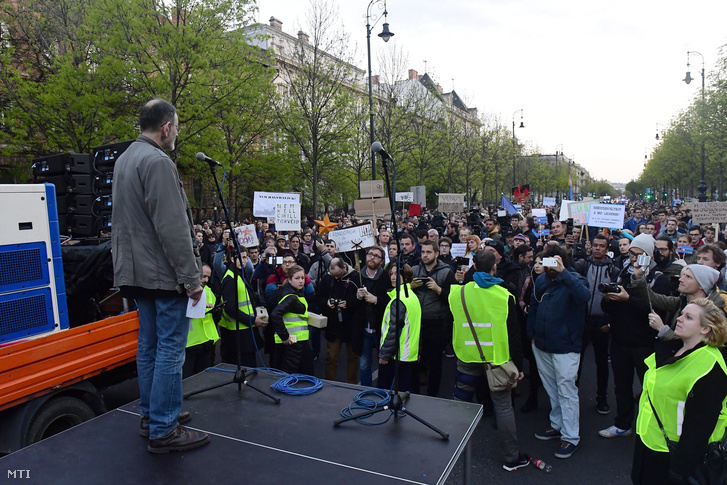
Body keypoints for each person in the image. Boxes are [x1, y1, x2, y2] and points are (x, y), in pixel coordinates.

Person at [112, 98, 208, 452]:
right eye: (177, 127)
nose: (176, 133)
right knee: (169, 348)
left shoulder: (125, 159)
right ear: (166, 127)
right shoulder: (158, 162)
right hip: (162, 273)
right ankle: (163, 428)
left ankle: (152, 415)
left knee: (149, 347)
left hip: (135, 272)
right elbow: (172, 228)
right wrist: (192, 279)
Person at [631, 299, 727, 484]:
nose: (680, 319)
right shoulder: (675, 348)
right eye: (682, 314)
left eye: (688, 317)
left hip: (672, 454)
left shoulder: (710, 367)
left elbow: (699, 428)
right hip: (649, 442)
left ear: (706, 329)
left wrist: (679, 470)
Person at [449, 250, 529, 472]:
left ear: (474, 267)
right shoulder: (504, 296)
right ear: (495, 268)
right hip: (497, 359)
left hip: (466, 355)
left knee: (461, 402)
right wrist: (519, 366)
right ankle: (511, 458)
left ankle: (449, 449)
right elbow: (515, 336)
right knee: (503, 407)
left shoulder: (457, 293)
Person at [599, 235, 670, 439]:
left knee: (649, 388)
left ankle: (656, 428)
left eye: (640, 255)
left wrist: (628, 299)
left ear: (650, 256)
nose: (634, 259)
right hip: (620, 340)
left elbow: (655, 310)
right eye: (631, 254)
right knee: (621, 386)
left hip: (644, 343)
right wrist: (609, 298)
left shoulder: (659, 279)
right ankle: (623, 423)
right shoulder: (623, 274)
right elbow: (610, 309)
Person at [527, 244, 590, 459]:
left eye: (554, 261)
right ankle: (557, 424)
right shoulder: (544, 280)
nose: (549, 266)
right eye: (546, 262)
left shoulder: (575, 279)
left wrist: (563, 273)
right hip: (542, 344)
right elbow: (535, 302)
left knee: (566, 390)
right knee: (552, 387)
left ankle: (571, 436)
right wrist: (532, 333)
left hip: (565, 346)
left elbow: (584, 296)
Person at [574, 234, 620, 415]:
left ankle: (602, 397)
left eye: (601, 246)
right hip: (583, 320)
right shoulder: (581, 266)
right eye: (595, 245)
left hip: (602, 321)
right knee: (576, 361)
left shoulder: (614, 270)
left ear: (607, 248)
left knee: (602, 363)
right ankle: (572, 394)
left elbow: (617, 301)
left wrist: (610, 323)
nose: (597, 248)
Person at [411, 241, 457, 396]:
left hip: (437, 323)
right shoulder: (414, 270)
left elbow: (453, 298)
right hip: (417, 322)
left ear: (436, 254)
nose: (425, 255)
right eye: (423, 252)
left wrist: (438, 290)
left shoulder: (446, 272)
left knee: (435, 362)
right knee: (414, 360)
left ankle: (433, 395)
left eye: (428, 252)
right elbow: (402, 294)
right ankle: (414, 392)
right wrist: (410, 287)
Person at [317, 257, 361, 383]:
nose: (336, 279)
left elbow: (360, 300)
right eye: (333, 276)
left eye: (338, 275)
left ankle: (351, 384)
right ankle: (330, 383)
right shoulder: (327, 278)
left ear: (344, 268)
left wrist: (348, 303)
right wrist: (326, 303)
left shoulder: (355, 279)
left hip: (351, 324)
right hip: (333, 325)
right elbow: (319, 298)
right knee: (331, 357)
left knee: (353, 357)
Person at [378, 264, 421, 393]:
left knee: (385, 393)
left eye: (397, 274)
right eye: (391, 273)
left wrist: (384, 355)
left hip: (396, 354)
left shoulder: (399, 299)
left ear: (406, 277)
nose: (393, 277)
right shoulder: (412, 296)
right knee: (406, 391)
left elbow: (393, 330)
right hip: (409, 353)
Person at [220, 249, 266, 367]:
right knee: (245, 366)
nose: (243, 260)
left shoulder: (240, 274)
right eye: (240, 257)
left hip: (244, 330)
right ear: (231, 259)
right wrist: (252, 320)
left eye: (245, 257)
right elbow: (230, 308)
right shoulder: (230, 279)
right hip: (238, 333)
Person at [269, 264, 314, 375]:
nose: (301, 281)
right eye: (297, 278)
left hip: (294, 342)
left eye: (303, 278)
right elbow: (275, 315)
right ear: (289, 280)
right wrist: (284, 336)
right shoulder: (291, 297)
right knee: (302, 377)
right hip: (294, 343)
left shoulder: (291, 293)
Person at [356, 246, 390, 387]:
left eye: (376, 256)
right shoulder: (357, 277)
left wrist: (376, 300)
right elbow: (351, 303)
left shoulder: (385, 278)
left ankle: (381, 391)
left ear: (381, 261)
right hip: (363, 328)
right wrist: (357, 296)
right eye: (370, 254)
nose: (372, 257)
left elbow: (390, 300)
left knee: (383, 363)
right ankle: (365, 391)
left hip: (380, 327)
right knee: (364, 365)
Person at [183, 264, 221, 379]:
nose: (206, 280)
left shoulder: (208, 290)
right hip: (190, 342)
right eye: (203, 276)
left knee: (203, 378)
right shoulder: (186, 291)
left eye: (208, 277)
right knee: (188, 379)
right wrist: (199, 307)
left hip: (206, 340)